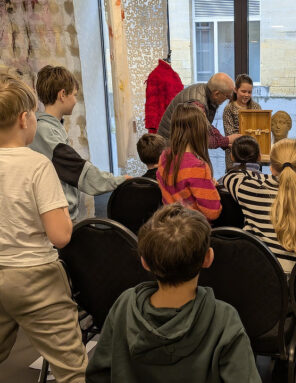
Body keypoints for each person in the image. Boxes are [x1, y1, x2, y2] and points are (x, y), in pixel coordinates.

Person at [85, 203, 261, 383]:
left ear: (144, 262)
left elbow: (98, 375)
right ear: (208, 258)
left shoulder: (124, 304)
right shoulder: (224, 319)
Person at [0, 69, 87, 382]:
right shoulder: (37, 165)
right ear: (25, 119)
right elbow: (60, 235)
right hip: (36, 276)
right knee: (71, 367)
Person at [29, 65, 127, 221]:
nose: (75, 101)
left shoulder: (49, 127)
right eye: (74, 95)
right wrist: (120, 180)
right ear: (62, 94)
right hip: (59, 219)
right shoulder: (45, 131)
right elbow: (79, 170)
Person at [222, 138, 296, 273]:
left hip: (263, 277)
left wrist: (265, 177)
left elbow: (231, 176)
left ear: (271, 168)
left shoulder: (251, 189)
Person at [157, 103, 222, 221]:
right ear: (200, 132)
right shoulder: (197, 167)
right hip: (192, 232)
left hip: (170, 227)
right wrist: (210, 187)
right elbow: (213, 212)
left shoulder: (164, 158)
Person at [157, 72, 241, 150]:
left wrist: (223, 141)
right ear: (216, 94)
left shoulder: (206, 91)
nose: (228, 99)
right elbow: (201, 140)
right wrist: (226, 140)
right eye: (227, 96)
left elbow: (207, 127)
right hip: (171, 149)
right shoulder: (196, 104)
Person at [223, 74, 261, 169]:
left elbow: (261, 128)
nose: (246, 95)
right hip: (235, 155)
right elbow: (230, 134)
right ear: (236, 90)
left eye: (249, 92)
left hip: (253, 154)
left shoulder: (256, 107)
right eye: (243, 91)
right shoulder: (229, 108)